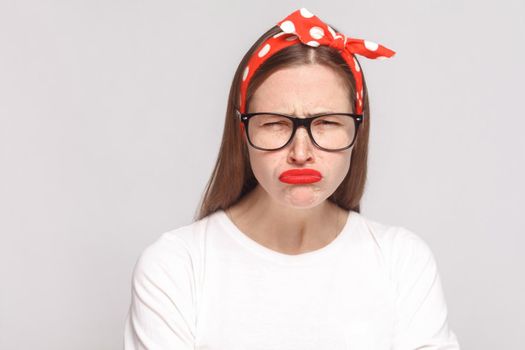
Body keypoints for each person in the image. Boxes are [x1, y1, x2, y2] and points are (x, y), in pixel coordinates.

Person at [123, 8, 461, 349]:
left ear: (358, 130)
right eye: (274, 123)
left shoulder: (402, 262)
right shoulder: (175, 266)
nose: (301, 151)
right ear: (242, 132)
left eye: (327, 122)